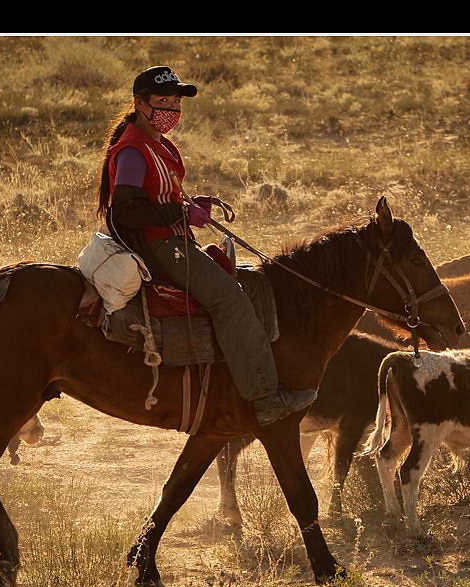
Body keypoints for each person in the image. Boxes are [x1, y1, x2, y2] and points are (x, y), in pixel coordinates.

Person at [95, 66, 317, 426]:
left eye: (176, 101)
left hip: (170, 237)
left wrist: (186, 205)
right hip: (159, 245)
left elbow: (152, 197)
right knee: (229, 298)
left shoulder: (155, 143)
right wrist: (180, 212)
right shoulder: (134, 150)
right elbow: (125, 211)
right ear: (139, 103)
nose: (172, 108)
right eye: (163, 101)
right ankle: (264, 398)